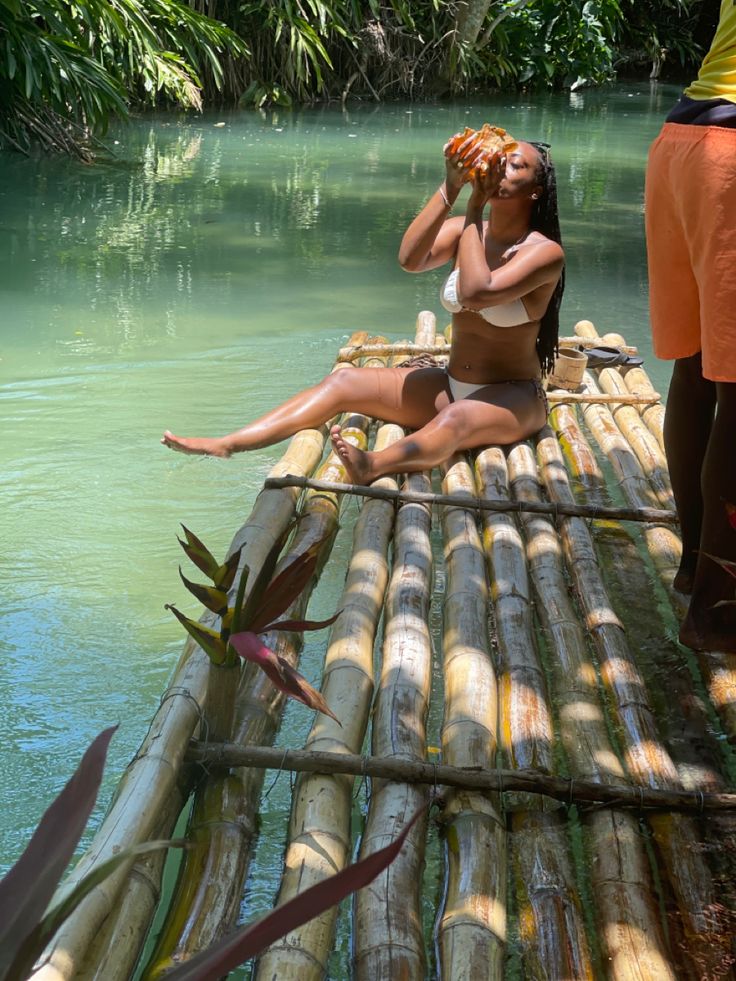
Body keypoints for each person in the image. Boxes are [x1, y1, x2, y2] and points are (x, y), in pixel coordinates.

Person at [162, 135, 564, 487]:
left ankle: (373, 465)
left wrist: (477, 208)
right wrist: (451, 185)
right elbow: (411, 258)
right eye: (500, 158)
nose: (500, 167)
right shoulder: (463, 228)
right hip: (450, 384)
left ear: (535, 190)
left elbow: (477, 293)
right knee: (344, 383)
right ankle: (228, 444)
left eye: (516, 165)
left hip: (512, 400)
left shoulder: (543, 253)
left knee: (457, 420)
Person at [644, 0, 736, 653]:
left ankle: (692, 566)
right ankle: (719, 613)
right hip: (731, 156)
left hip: (682, 140)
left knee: (696, 366)